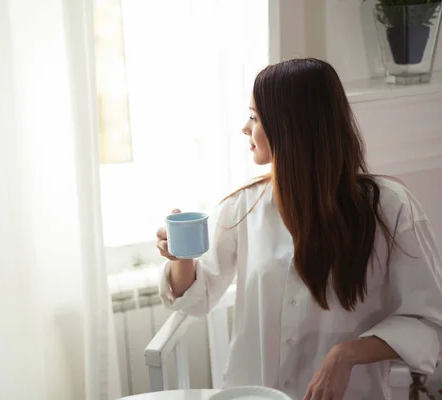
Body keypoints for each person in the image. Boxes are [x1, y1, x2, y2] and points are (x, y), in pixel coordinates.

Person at [155, 58, 442, 400]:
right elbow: (196, 301)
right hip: (253, 393)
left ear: (290, 127)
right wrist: (180, 258)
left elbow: (428, 323)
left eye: (255, 117)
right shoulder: (241, 208)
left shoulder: (391, 209)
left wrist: (346, 354)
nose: (246, 129)